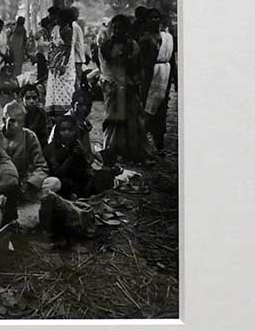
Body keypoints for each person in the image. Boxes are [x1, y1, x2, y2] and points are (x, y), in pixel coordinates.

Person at [98, 14, 148, 163]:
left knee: (132, 120)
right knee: (113, 119)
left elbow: (138, 67)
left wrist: (130, 82)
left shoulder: (133, 45)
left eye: (121, 27)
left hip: (130, 86)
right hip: (112, 87)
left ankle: (132, 152)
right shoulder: (105, 46)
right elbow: (105, 67)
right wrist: (114, 83)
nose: (118, 30)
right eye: (115, 27)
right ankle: (112, 151)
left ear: (127, 29)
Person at [0, 100, 48, 201]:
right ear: (4, 120)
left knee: (54, 183)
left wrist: (29, 183)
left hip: (23, 181)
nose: (16, 125)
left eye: (20, 121)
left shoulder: (30, 136)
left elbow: (41, 166)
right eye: (12, 121)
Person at [143, 12, 175, 153]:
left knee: (162, 108)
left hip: (165, 74)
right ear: (147, 21)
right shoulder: (145, 39)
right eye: (151, 18)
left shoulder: (167, 38)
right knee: (147, 108)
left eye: (157, 17)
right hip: (150, 76)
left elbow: (172, 59)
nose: (154, 20)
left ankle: (159, 142)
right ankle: (143, 142)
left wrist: (175, 79)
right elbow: (142, 62)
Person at [43, 116, 90, 198]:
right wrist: (72, 157)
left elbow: (84, 171)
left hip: (76, 182)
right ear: (58, 132)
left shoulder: (77, 145)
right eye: (63, 130)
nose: (67, 133)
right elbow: (57, 173)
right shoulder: (51, 149)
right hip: (58, 183)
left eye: (70, 130)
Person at [44, 8, 76, 121]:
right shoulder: (56, 29)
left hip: (64, 63)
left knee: (64, 87)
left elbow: (68, 48)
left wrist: (63, 65)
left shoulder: (67, 30)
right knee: (54, 86)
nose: (54, 19)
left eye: (57, 17)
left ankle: (64, 113)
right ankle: (53, 112)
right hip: (54, 62)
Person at [21, 84, 48, 149]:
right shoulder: (17, 112)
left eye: (34, 98)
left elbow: (44, 135)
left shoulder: (42, 113)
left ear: (38, 98)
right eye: (27, 98)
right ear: (22, 99)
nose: (31, 101)